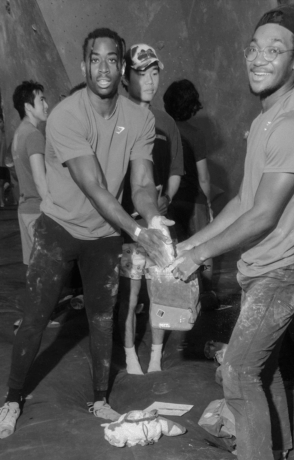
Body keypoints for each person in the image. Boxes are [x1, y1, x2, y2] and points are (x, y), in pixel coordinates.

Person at [0, 27, 173, 439]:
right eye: (96, 58)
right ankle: (12, 398)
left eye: (112, 59)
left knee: (102, 319)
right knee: (36, 318)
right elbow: (93, 187)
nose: (104, 67)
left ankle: (99, 397)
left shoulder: (141, 118)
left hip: (105, 235)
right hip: (59, 229)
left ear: (122, 67)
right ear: (83, 65)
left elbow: (143, 184)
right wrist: (137, 231)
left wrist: (153, 221)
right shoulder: (66, 115)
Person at [169, 5, 294, 459]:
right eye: (254, 49)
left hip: (281, 274)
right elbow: (242, 200)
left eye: (275, 50)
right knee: (263, 371)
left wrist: (199, 258)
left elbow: (262, 215)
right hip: (263, 270)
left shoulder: (290, 122)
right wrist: (191, 243)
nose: (260, 58)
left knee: (237, 375)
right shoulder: (264, 119)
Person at [118, 43, 183, 374]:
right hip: (126, 230)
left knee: (159, 297)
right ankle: (130, 354)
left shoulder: (166, 122)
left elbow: (175, 170)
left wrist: (164, 202)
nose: (149, 79)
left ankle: (156, 355)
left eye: (154, 72)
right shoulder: (115, 119)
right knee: (129, 299)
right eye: (141, 72)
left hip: (157, 228)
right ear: (126, 76)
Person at [163, 79, 215, 294]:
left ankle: (182, 297)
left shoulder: (161, 130)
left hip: (169, 201)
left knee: (175, 250)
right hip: (194, 202)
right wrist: (209, 203)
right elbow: (203, 177)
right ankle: (206, 294)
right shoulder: (195, 134)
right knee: (205, 247)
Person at [11, 80, 48, 265]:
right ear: (28, 106)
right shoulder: (34, 135)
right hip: (38, 211)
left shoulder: (18, 134)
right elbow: (40, 180)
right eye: (41, 100)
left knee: (34, 268)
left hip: (24, 210)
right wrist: (54, 209)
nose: (46, 105)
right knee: (46, 269)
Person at [0, 113, 11, 207]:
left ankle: (16, 200)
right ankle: (1, 202)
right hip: (0, 163)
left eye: (0, 122)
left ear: (4, 121)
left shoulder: (9, 131)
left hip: (10, 162)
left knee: (13, 182)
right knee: (0, 182)